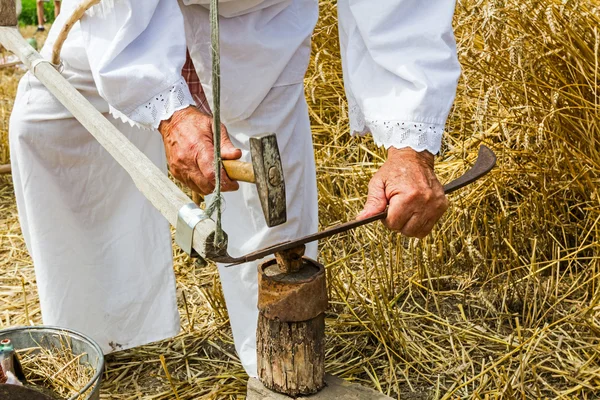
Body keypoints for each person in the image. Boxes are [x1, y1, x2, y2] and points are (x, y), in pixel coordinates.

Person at [9, 0, 460, 377]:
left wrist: (411, 148)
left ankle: (276, 373)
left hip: (258, 26)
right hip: (123, 15)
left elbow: (402, 8)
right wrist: (168, 112)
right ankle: (97, 333)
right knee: (48, 128)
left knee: (275, 240)